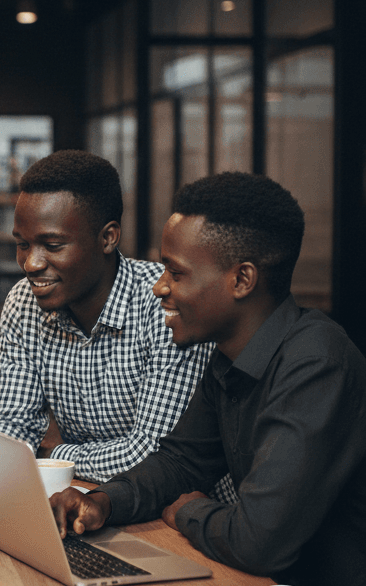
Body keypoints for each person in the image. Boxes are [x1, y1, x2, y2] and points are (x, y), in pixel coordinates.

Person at [50, 172, 366, 585]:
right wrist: (102, 502)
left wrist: (189, 511)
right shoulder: (229, 357)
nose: (159, 288)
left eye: (176, 273)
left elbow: (259, 542)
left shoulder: (317, 364)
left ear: (241, 280)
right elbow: (181, 462)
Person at [0, 150, 215, 483]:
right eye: (23, 244)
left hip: (177, 510)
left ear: (108, 237)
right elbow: (11, 424)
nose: (31, 264)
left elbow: (154, 454)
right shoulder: (24, 301)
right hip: (79, 497)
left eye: (52, 245)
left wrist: (54, 454)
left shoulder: (165, 302)